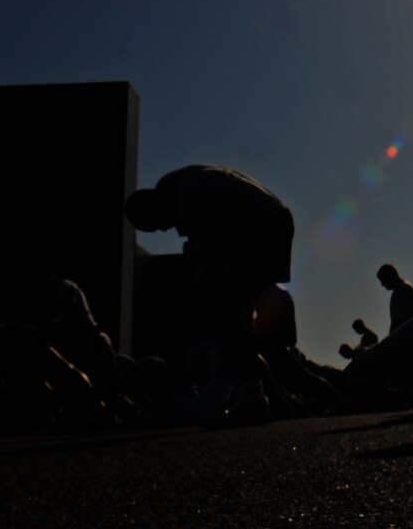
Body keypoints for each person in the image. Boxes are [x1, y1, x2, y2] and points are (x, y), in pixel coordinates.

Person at [125, 164, 294, 425]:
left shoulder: (190, 198)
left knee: (233, 310)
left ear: (154, 205)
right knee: (236, 312)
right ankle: (251, 396)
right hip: (271, 222)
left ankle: (224, 397)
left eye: (158, 225)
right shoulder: (185, 186)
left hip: (261, 229)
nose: (165, 229)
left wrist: (206, 292)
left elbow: (216, 258)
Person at [376, 264, 413, 334]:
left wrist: (391, 340)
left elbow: (398, 322)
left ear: (389, 276)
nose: (382, 284)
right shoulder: (405, 288)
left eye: (382, 280)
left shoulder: (401, 291)